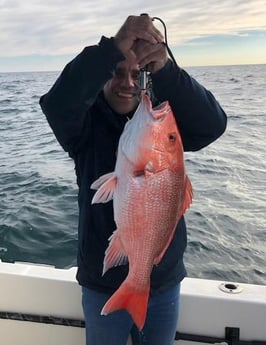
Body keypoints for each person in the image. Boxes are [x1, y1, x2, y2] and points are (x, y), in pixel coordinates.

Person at [39, 14, 227, 345]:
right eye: (117, 73)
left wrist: (166, 70)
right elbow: (58, 104)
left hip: (164, 282)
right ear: (102, 78)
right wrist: (110, 49)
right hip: (103, 283)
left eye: (137, 74)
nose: (128, 82)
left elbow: (212, 125)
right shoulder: (84, 126)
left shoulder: (158, 122)